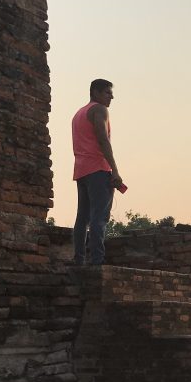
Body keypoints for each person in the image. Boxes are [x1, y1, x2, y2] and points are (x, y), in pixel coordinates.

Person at [72, 79, 124, 265]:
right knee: (99, 217)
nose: (111, 96)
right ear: (95, 92)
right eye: (107, 93)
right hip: (98, 168)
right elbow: (103, 140)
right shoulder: (99, 110)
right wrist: (115, 170)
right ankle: (96, 261)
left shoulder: (79, 113)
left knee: (82, 217)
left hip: (82, 170)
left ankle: (79, 259)